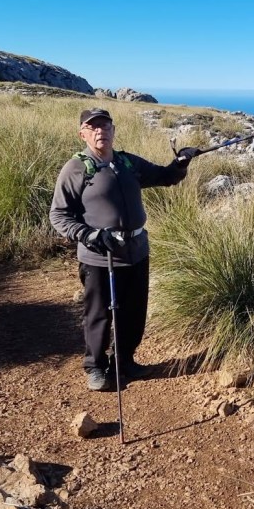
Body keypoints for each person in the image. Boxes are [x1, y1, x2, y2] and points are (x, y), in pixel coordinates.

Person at [50, 108, 200, 391]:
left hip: (136, 250)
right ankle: (95, 366)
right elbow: (58, 215)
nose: (100, 131)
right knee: (99, 313)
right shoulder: (77, 168)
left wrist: (180, 163)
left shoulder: (127, 163)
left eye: (105, 125)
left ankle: (124, 361)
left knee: (133, 310)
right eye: (92, 127)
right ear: (82, 133)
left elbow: (164, 177)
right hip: (99, 256)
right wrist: (88, 234)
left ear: (113, 130)